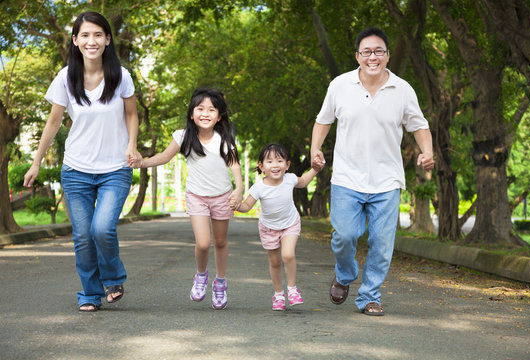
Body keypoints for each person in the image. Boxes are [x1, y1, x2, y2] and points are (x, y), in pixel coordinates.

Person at [23, 12, 142, 312]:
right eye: (85, 35)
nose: (92, 41)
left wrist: (132, 146)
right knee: (83, 236)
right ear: (75, 41)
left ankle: (113, 278)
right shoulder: (66, 77)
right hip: (76, 169)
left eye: (98, 35)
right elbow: (53, 122)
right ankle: (89, 293)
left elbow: (131, 114)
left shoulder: (121, 75)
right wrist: (36, 162)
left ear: (107, 40)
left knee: (102, 229)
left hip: (115, 168)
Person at [311, 27, 434, 316]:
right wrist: (315, 148)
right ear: (357, 56)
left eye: (379, 51)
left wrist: (427, 152)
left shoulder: (402, 89)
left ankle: (369, 297)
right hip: (346, 178)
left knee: (381, 243)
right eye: (366, 52)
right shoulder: (340, 85)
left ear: (388, 55)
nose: (373, 56)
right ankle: (344, 274)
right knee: (344, 236)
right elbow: (323, 121)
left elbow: (419, 125)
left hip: (387, 180)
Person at [129, 87, 242, 310]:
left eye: (212, 109)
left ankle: (220, 282)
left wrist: (238, 189)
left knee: (220, 242)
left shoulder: (224, 138)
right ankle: (201, 276)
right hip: (197, 196)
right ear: (192, 113)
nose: (205, 113)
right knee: (203, 242)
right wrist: (141, 163)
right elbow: (163, 156)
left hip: (222, 196)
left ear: (219, 116)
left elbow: (235, 165)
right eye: (200, 108)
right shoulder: (183, 136)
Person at [235, 143, 322, 311]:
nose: (275, 165)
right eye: (269, 162)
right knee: (274, 262)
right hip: (268, 228)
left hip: (290, 224)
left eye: (280, 161)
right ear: (261, 166)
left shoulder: (289, 179)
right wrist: (236, 205)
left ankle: (292, 289)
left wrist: (316, 169)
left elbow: (303, 182)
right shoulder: (259, 187)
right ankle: (278, 294)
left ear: (287, 165)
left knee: (288, 255)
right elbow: (246, 206)